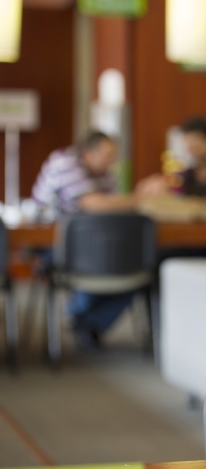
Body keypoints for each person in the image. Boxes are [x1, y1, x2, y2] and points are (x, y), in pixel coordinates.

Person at [32, 131, 141, 347]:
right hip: (52, 243)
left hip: (94, 244)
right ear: (88, 152)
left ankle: (84, 318)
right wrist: (142, 197)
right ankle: (82, 316)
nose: (111, 161)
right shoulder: (63, 162)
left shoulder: (105, 172)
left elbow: (113, 209)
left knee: (138, 263)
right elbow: (94, 204)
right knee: (99, 258)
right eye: (107, 154)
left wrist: (131, 199)